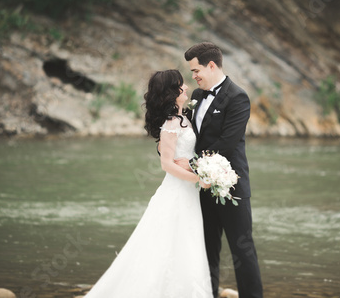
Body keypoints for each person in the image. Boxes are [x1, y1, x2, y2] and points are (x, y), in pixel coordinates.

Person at [83, 70, 213, 298]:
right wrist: (198, 178)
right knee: (169, 242)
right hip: (177, 192)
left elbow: (182, 157)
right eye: (179, 85)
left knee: (185, 242)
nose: (185, 88)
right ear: (171, 93)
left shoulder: (184, 118)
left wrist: (195, 166)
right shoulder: (171, 123)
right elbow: (166, 165)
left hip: (187, 192)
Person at [176, 42, 263, 298]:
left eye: (196, 71)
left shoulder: (238, 97)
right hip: (201, 187)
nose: (194, 76)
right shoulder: (196, 96)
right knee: (207, 248)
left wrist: (191, 166)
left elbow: (226, 143)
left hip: (232, 186)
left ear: (211, 65)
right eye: (192, 72)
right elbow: (190, 136)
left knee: (242, 251)